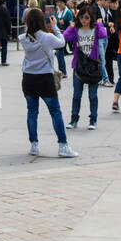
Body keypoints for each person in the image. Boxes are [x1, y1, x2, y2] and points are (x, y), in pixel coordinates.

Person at [19, 8, 77, 158]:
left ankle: (34, 145)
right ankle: (63, 146)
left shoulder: (23, 38)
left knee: (32, 112)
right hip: (45, 78)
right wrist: (56, 26)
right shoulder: (47, 37)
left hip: (28, 79)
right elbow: (62, 42)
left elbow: (27, 34)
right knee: (55, 112)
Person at [64, 7, 106, 130]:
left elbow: (103, 35)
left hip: (93, 65)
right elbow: (65, 38)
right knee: (76, 95)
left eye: (87, 17)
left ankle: (93, 119)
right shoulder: (77, 29)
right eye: (81, 17)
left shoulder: (96, 28)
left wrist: (100, 24)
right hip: (79, 65)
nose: (84, 20)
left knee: (93, 95)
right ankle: (73, 119)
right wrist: (70, 27)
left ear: (91, 18)